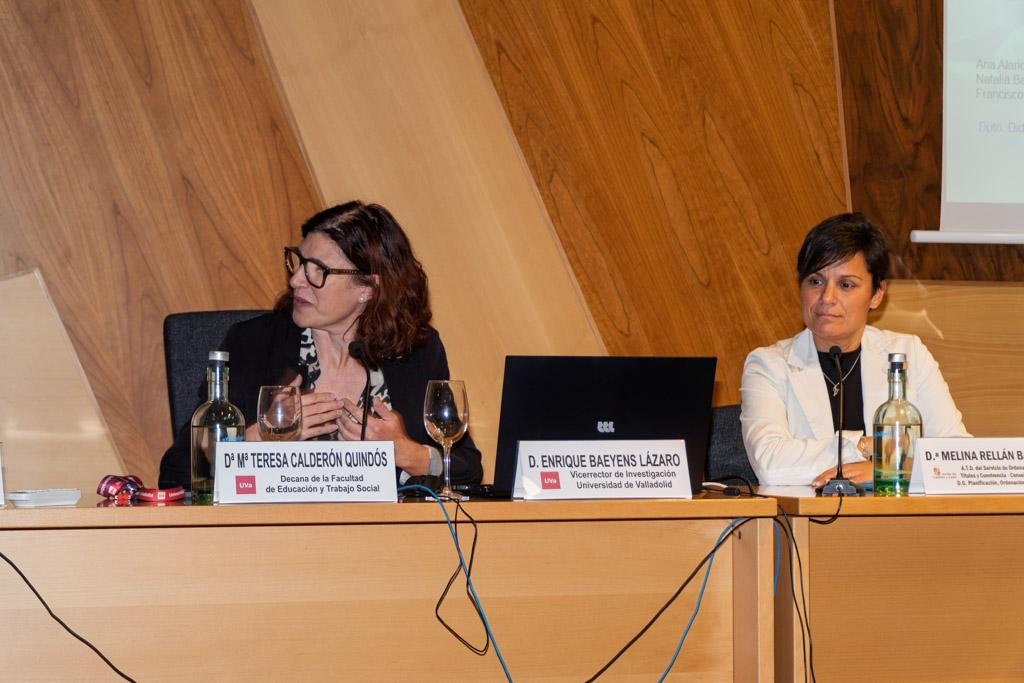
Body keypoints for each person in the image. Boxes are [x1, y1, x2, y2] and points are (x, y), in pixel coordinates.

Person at [159, 201, 483, 490]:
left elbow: (468, 469)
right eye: (299, 262)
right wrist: (258, 438)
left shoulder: (415, 351)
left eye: (318, 270)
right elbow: (176, 471)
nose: (296, 280)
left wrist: (406, 453)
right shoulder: (253, 343)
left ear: (368, 288)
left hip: (384, 535)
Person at [740, 212, 969, 487]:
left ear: (877, 294)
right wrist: (862, 446)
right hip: (811, 515)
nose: (827, 298)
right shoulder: (768, 365)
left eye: (846, 285)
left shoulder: (909, 354)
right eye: (815, 281)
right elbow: (770, 464)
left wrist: (882, 471)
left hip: (895, 512)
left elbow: (957, 457)